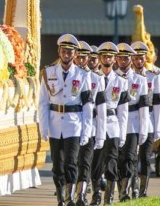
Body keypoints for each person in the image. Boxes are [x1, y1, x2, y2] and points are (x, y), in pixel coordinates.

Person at [39, 34, 93, 206]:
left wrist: (86, 130)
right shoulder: (48, 73)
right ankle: (60, 198)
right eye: (64, 51)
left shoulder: (82, 75)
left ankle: (70, 198)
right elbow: (43, 103)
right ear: (59, 52)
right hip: (55, 124)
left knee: (71, 162)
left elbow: (87, 106)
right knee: (57, 164)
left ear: (75, 54)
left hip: (73, 124)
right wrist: (43, 127)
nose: (66, 54)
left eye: (70, 52)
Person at [89, 42, 128, 206]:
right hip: (95, 123)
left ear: (114, 60)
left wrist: (123, 133)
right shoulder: (90, 78)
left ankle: (109, 198)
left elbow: (123, 110)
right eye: (104, 56)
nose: (106, 59)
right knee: (95, 161)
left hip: (112, 125)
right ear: (99, 58)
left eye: (110, 56)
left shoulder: (121, 82)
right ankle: (97, 194)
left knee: (112, 162)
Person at [114, 43, 148, 202]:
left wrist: (144, 129)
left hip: (133, 122)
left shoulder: (139, 79)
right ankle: (122, 187)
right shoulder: (111, 77)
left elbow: (144, 107)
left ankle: (126, 191)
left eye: (126, 58)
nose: (123, 61)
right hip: (115, 123)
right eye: (120, 58)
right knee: (118, 159)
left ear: (131, 59)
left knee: (129, 157)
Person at [131, 41, 160, 198]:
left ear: (145, 58)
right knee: (131, 157)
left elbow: (157, 104)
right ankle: (133, 187)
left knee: (145, 157)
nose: (138, 60)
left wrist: (158, 127)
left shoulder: (153, 77)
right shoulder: (126, 76)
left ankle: (143, 190)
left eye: (141, 57)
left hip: (148, 121)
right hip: (131, 121)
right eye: (135, 57)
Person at [72, 41, 100, 206]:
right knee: (72, 161)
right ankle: (73, 191)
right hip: (73, 124)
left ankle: (83, 194)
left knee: (87, 160)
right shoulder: (70, 76)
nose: (82, 60)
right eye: (79, 56)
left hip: (91, 124)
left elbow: (100, 108)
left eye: (85, 57)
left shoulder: (96, 78)